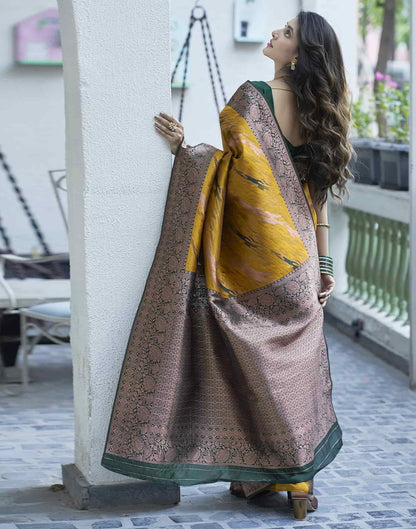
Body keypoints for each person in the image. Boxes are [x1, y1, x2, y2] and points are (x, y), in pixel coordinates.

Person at [101, 10, 354, 522]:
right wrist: (325, 263)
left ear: (298, 54)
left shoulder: (251, 97)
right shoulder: (321, 113)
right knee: (293, 373)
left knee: (248, 369)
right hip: (301, 263)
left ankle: (259, 471)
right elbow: (315, 194)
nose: (275, 35)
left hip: (252, 263)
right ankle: (296, 482)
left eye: (285, 34)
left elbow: (232, 175)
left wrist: (185, 151)